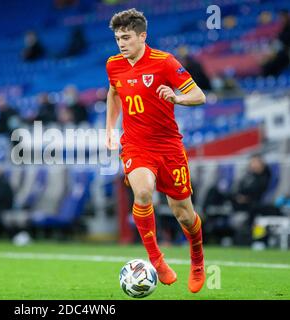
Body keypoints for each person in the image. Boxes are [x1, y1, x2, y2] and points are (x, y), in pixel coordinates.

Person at [105, 9, 206, 293]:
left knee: (184, 214)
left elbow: (200, 95)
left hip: (169, 145)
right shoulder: (113, 65)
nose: (121, 43)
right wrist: (110, 130)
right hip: (136, 144)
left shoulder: (164, 63)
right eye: (117, 38)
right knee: (143, 192)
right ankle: (156, 260)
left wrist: (177, 97)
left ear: (142, 36)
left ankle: (197, 260)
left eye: (126, 37)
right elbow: (113, 93)